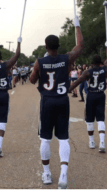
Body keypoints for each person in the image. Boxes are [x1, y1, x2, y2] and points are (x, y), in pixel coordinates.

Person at [31, 21, 84, 188]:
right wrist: (77, 26)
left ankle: (47, 173)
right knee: (63, 138)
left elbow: (32, 80)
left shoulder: (40, 62)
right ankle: (63, 174)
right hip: (62, 100)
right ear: (58, 46)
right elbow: (80, 45)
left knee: (45, 139)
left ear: (46, 46)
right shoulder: (66, 58)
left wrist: (38, 72)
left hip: (47, 101)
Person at [68, 44, 107, 153]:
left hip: (91, 95)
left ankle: (91, 141)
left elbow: (78, 81)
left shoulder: (88, 72)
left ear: (92, 63)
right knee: (101, 119)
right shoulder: (104, 69)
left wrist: (68, 89)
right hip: (101, 95)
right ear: (101, 62)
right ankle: (102, 142)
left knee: (90, 119)